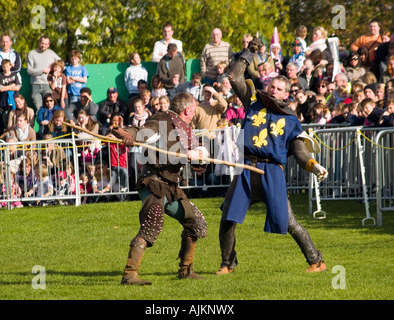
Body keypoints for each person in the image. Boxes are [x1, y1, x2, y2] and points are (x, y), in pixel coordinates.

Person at [216, 38, 328, 275]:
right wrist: (249, 52)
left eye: (278, 88)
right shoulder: (254, 101)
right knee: (228, 217)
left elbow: (299, 151)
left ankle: (316, 261)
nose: (272, 90)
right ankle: (227, 264)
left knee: (288, 222)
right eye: (271, 87)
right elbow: (235, 77)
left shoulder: (291, 120)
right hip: (246, 169)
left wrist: (314, 166)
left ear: (286, 94)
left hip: (272, 174)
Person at [110, 92, 208, 285]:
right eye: (195, 109)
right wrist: (127, 134)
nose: (195, 113)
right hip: (153, 183)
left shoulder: (185, 129)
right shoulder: (162, 119)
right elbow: (143, 131)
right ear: (188, 109)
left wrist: (199, 161)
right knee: (151, 225)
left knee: (196, 223)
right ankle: (130, 275)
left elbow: (191, 160)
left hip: (171, 188)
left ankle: (186, 270)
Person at [27, 35, 61, 111]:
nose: (44, 45)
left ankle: (49, 122)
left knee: (49, 107)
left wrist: (54, 69)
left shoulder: (51, 53)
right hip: (35, 85)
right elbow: (29, 71)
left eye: (46, 44)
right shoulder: (32, 53)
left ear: (48, 45)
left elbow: (61, 64)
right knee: (39, 109)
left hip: (47, 85)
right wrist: (42, 70)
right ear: (39, 43)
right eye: (42, 43)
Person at [0, 35, 22, 99]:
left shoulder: (16, 54)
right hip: (0, 84)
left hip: (15, 84)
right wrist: (9, 66)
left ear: (11, 42)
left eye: (7, 42)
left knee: (15, 103)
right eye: (3, 42)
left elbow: (18, 68)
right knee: (2, 105)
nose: (5, 44)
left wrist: (4, 67)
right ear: (0, 42)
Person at [0, 59, 22, 125]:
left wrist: (6, 88)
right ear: (2, 67)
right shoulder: (1, 76)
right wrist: (11, 85)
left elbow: (18, 87)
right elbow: (0, 89)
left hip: (14, 101)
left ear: (10, 66)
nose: (6, 68)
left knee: (15, 118)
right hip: (4, 103)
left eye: (7, 66)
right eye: (4, 67)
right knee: (6, 120)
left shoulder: (14, 75)